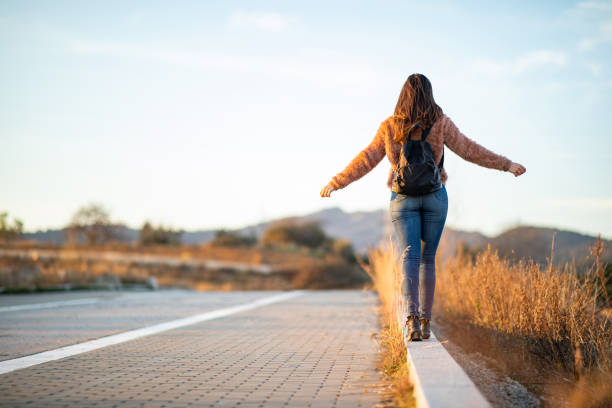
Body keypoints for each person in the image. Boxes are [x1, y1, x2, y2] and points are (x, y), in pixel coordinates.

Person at [319, 73, 526, 342]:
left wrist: (337, 182)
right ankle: (426, 324)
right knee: (427, 260)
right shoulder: (440, 123)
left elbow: (367, 158)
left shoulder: (390, 126)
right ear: (430, 94)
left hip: (402, 198)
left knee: (409, 258)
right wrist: (506, 164)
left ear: (402, 95)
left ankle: (411, 321)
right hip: (434, 196)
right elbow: (468, 149)